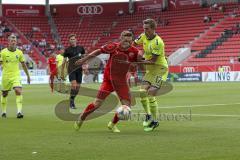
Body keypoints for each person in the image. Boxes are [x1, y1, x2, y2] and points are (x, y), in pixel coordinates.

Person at [74, 30, 141, 133]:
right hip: (108, 80)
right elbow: (98, 51)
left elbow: (135, 65)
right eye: (125, 39)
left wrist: (133, 73)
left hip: (121, 81)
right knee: (97, 104)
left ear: (132, 40)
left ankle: (112, 124)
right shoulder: (113, 46)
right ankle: (82, 118)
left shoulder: (135, 52)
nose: (127, 41)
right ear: (121, 38)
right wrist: (84, 60)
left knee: (127, 105)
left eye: (129, 39)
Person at [134, 19, 169, 132]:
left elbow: (153, 61)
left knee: (151, 92)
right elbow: (133, 45)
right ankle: (148, 115)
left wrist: (139, 61)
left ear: (153, 29)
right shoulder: (143, 36)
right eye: (144, 28)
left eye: (147, 29)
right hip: (151, 71)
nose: (145, 31)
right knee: (142, 92)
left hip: (160, 69)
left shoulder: (158, 42)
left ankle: (154, 121)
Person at [0, 34, 31, 118]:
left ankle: (19, 112)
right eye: (12, 41)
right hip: (6, 76)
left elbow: (24, 65)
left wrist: (28, 76)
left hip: (16, 76)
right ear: (8, 42)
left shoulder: (19, 52)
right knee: (4, 94)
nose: (13, 42)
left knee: (18, 91)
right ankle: (3, 112)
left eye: (15, 41)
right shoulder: (3, 52)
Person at [61, 34, 85, 109]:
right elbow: (64, 61)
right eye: (71, 39)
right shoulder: (67, 50)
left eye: (73, 39)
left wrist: (85, 66)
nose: (72, 40)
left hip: (79, 70)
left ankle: (72, 99)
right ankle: (71, 102)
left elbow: (84, 58)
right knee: (74, 86)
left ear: (76, 40)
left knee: (77, 88)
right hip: (71, 70)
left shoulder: (81, 48)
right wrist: (62, 72)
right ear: (69, 41)